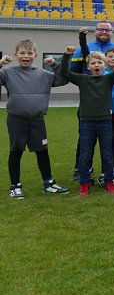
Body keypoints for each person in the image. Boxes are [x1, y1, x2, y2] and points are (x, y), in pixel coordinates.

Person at [1, 40, 70, 199]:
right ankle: (15, 186)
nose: (26, 56)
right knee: (16, 151)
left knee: (42, 151)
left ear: (35, 55)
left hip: (37, 120)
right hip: (16, 119)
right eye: (22, 53)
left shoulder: (44, 74)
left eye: (30, 53)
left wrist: (54, 64)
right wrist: (0, 63)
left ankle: (48, 183)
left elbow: (64, 79)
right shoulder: (7, 73)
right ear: (16, 55)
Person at [60, 43, 114, 195]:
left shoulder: (109, 79)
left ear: (104, 66)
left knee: (107, 153)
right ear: (88, 66)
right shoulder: (82, 79)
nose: (97, 65)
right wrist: (66, 55)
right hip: (87, 122)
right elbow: (65, 73)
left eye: (99, 62)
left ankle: (109, 182)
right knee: (85, 153)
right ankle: (84, 183)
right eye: (93, 63)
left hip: (105, 122)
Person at [69, 22, 114, 181]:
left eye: (107, 30)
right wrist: (87, 85)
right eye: (101, 29)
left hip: (112, 107)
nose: (104, 32)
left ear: (112, 32)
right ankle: (80, 169)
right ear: (95, 31)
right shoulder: (83, 48)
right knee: (85, 139)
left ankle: (113, 168)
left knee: (112, 139)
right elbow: (73, 72)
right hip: (89, 104)